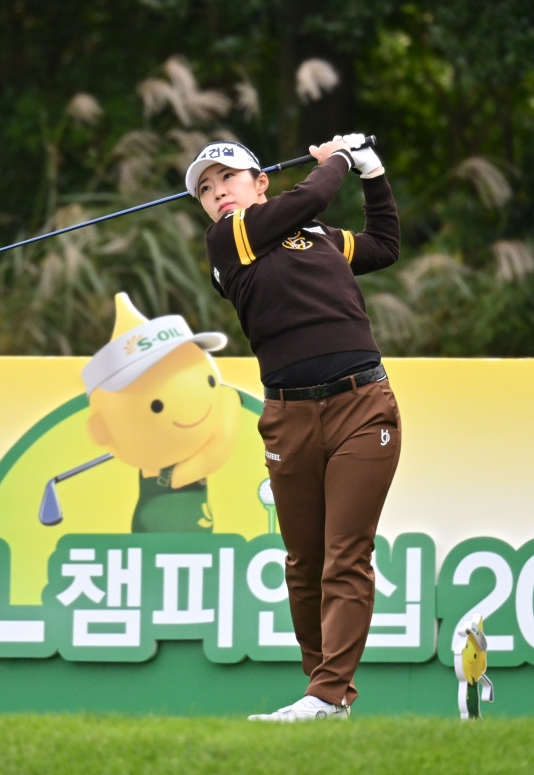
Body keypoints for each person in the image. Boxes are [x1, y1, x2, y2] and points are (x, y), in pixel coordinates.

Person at [183, 134, 403, 721]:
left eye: (227, 178)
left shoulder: (320, 238)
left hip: (363, 405)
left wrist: (372, 171)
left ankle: (329, 693)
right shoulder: (228, 241)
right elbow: (313, 195)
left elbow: (383, 244)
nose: (216, 192)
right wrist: (338, 159)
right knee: (303, 562)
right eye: (205, 189)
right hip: (289, 416)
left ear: (261, 183)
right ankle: (323, 693)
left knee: (345, 555)